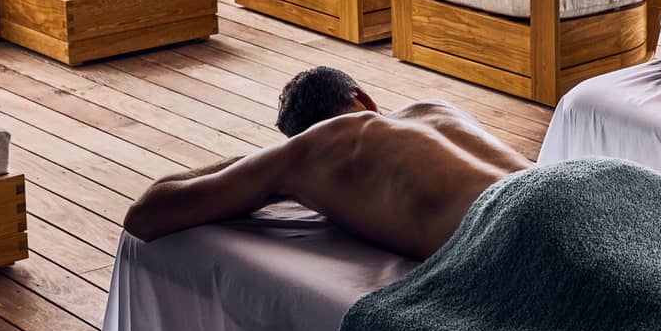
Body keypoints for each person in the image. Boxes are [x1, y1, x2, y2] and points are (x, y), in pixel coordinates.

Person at [122, 66, 532, 260]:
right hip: (567, 186)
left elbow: (145, 214)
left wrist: (265, 162)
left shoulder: (306, 154)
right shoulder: (436, 109)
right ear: (364, 98)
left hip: (508, 234)